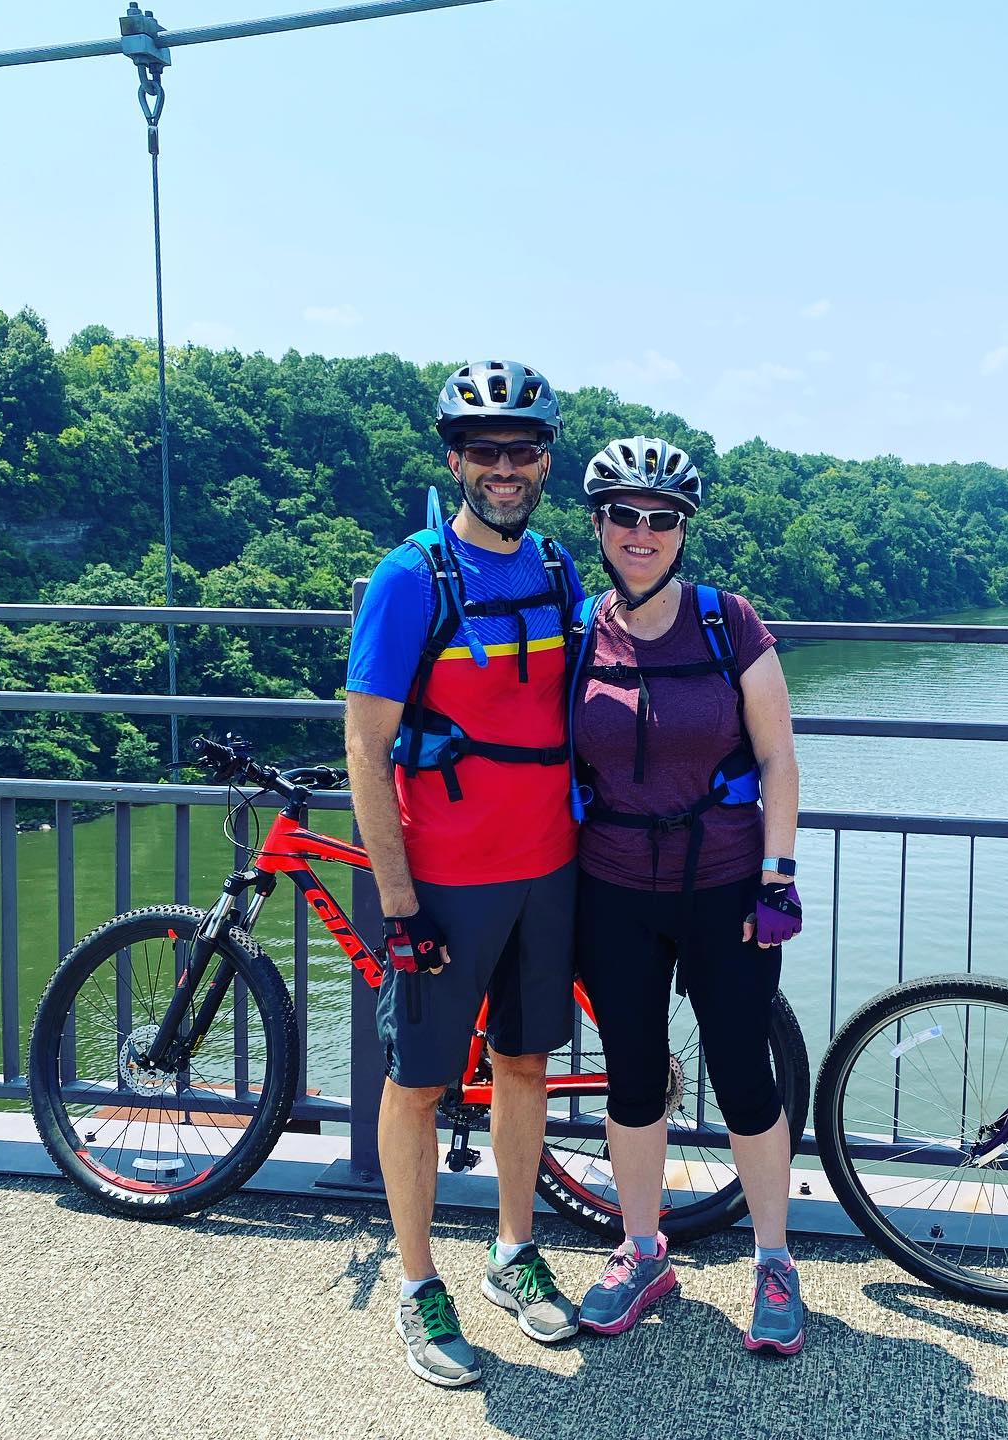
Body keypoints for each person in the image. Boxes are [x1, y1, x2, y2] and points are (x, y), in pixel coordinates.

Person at [344, 360, 584, 1389]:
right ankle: (415, 1283)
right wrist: (398, 900)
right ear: (454, 460)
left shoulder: (562, 569)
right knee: (418, 1083)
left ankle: (513, 1252)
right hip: (444, 879)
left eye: (520, 451)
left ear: (542, 463)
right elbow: (364, 747)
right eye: (483, 451)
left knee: (525, 1067)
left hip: (550, 870)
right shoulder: (410, 579)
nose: (502, 468)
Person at [567, 436, 806, 1354]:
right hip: (614, 887)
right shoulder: (582, 630)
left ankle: (775, 1259)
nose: (642, 532)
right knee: (632, 1080)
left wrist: (777, 875)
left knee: (746, 1076)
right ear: (599, 525)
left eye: (660, 519)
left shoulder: (727, 623)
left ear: (682, 533)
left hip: (726, 888)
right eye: (624, 515)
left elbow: (780, 754)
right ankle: (641, 1250)